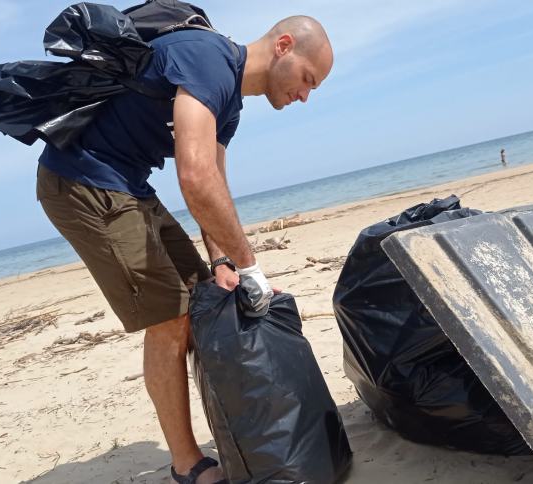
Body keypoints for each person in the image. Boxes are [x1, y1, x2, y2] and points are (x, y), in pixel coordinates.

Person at [34, 16, 333, 484]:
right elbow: (193, 176)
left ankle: (236, 435)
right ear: (284, 46)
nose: (305, 95)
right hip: (82, 182)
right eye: (307, 79)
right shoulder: (207, 59)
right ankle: (186, 464)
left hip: (129, 184)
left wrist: (223, 262)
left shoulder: (229, 104)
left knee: (203, 305)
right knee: (170, 318)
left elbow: (214, 182)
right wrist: (251, 266)